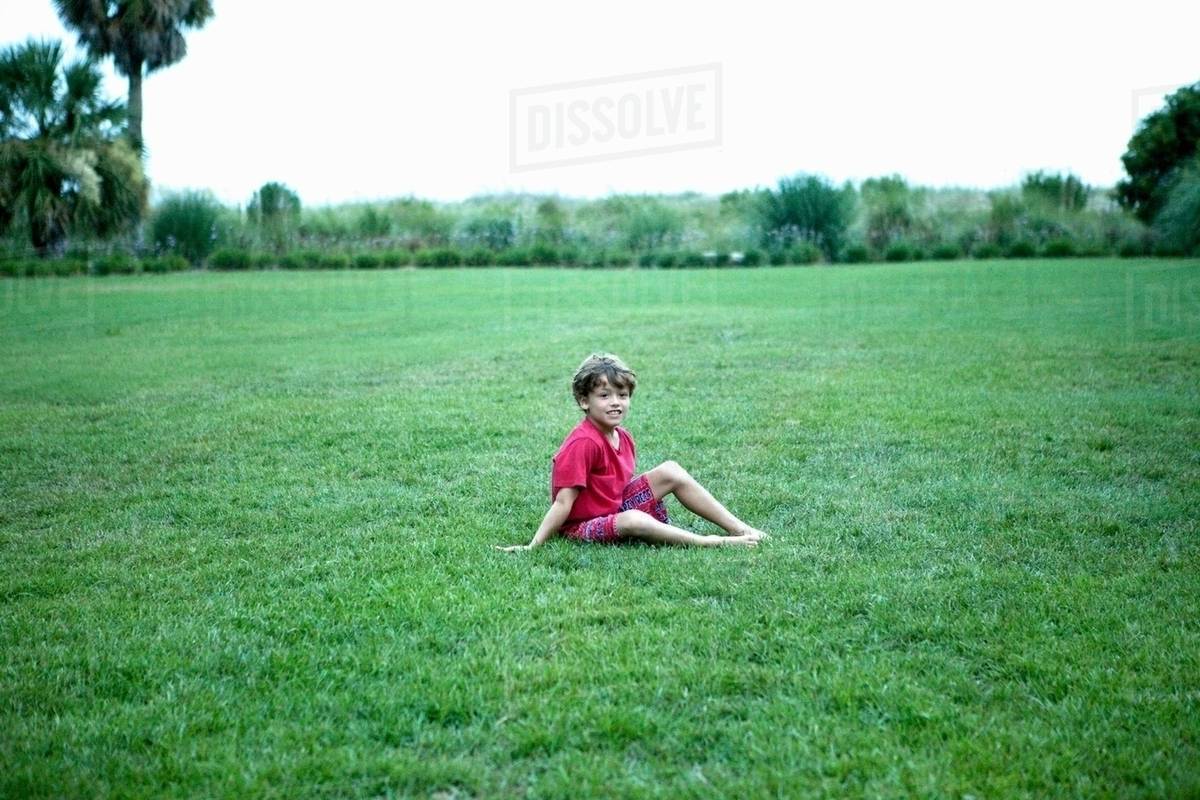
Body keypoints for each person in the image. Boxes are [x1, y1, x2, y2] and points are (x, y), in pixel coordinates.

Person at [496, 353, 768, 551]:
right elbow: (563, 503)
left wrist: (643, 497)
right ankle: (711, 542)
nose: (615, 403)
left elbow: (614, 487)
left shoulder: (622, 437)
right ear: (584, 401)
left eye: (622, 395)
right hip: (581, 526)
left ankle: (738, 528)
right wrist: (533, 546)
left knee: (670, 470)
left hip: (612, 508)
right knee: (634, 520)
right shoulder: (582, 443)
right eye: (604, 396)